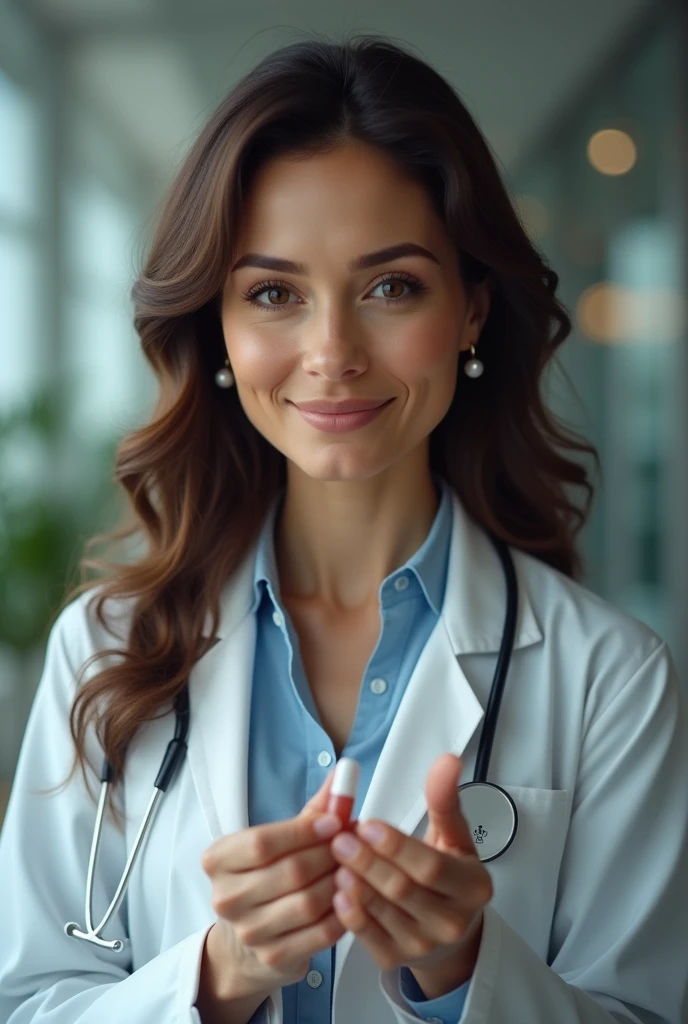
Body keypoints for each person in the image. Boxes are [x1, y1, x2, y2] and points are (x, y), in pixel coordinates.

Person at [0, 33, 686, 1024]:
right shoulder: (104, 651)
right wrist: (215, 976)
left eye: (390, 286)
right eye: (274, 293)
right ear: (220, 330)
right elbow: (27, 1001)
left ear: (469, 312)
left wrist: (464, 975)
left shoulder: (609, 680)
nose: (330, 353)